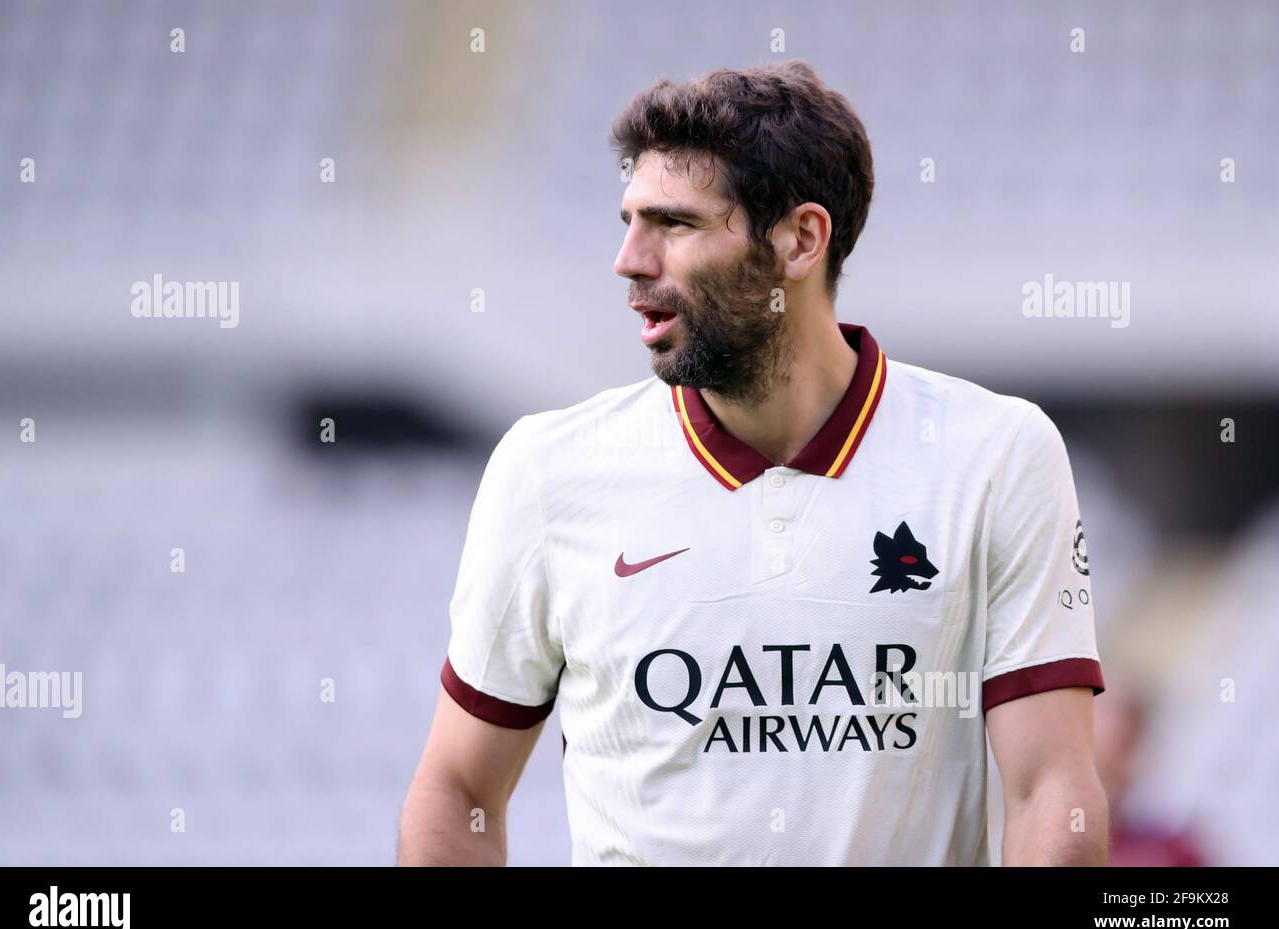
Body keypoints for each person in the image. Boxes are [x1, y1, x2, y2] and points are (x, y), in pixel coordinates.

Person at [398, 60, 1107, 866]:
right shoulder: (545, 469)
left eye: (675, 224)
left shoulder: (996, 453)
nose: (629, 259)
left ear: (800, 240)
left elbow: (1051, 790)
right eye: (629, 220)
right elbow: (456, 790)